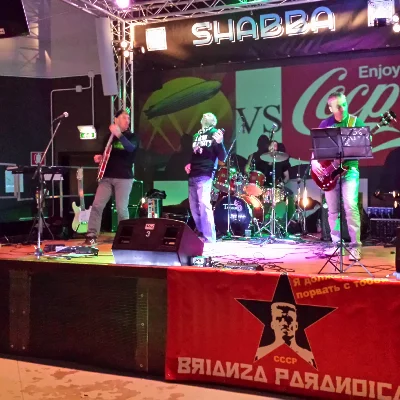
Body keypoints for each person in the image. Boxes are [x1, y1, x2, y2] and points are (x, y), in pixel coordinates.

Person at [311, 92, 364, 260]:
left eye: (344, 104)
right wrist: (314, 162)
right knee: (332, 210)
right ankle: (336, 245)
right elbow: (316, 148)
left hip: (349, 170)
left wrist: (366, 140)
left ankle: (355, 247)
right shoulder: (325, 124)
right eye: (339, 106)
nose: (343, 109)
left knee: (350, 206)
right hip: (331, 172)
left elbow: (364, 146)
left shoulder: (355, 122)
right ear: (330, 108)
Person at [84, 110, 138, 246]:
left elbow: (131, 148)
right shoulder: (108, 137)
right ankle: (91, 235)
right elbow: (106, 154)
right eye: (124, 117)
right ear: (116, 119)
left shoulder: (132, 136)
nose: (127, 120)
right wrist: (99, 157)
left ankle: (125, 237)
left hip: (123, 177)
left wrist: (119, 134)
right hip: (107, 177)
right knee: (97, 205)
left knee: (121, 208)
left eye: (128, 118)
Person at [184, 112, 226, 243]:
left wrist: (220, 143)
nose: (205, 116)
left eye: (208, 115)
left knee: (203, 204)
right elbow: (194, 154)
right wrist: (189, 163)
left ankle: (210, 237)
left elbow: (223, 157)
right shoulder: (196, 135)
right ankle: (202, 233)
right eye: (204, 116)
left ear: (214, 121)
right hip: (193, 173)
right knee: (194, 207)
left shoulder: (215, 133)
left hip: (205, 172)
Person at [255, 302, 315, 368]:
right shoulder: (259, 354)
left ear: (296, 325)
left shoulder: (309, 357)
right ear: (272, 325)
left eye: (289, 319)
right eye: (278, 319)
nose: (284, 323)